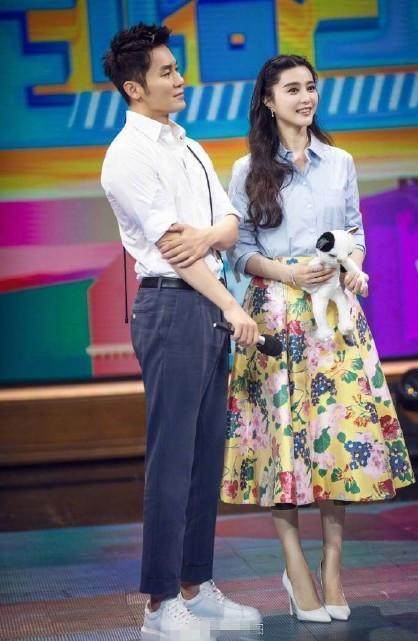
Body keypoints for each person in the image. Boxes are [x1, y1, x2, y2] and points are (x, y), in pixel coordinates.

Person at [221, 54, 416, 624]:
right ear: (268, 100)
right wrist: (287, 272)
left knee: (336, 440)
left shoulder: (340, 162)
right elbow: (239, 251)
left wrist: (353, 266)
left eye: (310, 87)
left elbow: (354, 231)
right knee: (284, 442)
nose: (306, 97)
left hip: (334, 318)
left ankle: (332, 568)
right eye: (292, 89)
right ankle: (294, 567)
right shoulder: (247, 170)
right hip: (277, 317)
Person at [100, 22, 262, 640]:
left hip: (208, 304)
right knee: (171, 461)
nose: (180, 79)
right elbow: (175, 249)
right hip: (172, 307)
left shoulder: (188, 146)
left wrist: (212, 237)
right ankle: (159, 604)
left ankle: (197, 585)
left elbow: (229, 224)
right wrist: (233, 306)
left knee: (205, 456)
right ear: (135, 87)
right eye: (167, 72)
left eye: (177, 68)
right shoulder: (128, 155)